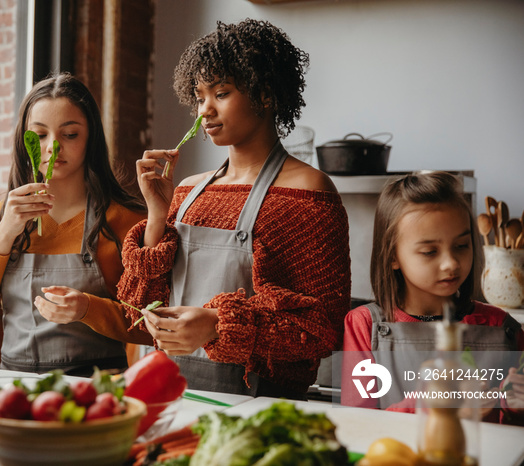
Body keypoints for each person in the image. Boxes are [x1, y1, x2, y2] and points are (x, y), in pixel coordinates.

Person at [116, 19, 351, 398]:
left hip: (261, 404)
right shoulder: (189, 190)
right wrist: (157, 216)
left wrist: (216, 325)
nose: (204, 110)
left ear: (266, 94)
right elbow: (135, 307)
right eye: (199, 96)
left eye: (221, 93)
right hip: (170, 392)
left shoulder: (309, 192)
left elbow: (320, 329)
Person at [0, 72, 149, 375]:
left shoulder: (125, 220)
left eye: (70, 135)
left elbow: (149, 325)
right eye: (40, 135)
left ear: (90, 139)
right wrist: (5, 231)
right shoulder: (5, 215)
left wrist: (88, 309)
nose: (52, 147)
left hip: (97, 389)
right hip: (16, 387)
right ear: (24, 140)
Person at [342, 171, 524, 424]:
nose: (451, 263)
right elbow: (357, 425)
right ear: (393, 256)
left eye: (461, 246)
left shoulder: (502, 328)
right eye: (429, 252)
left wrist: (515, 409)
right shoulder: (364, 326)